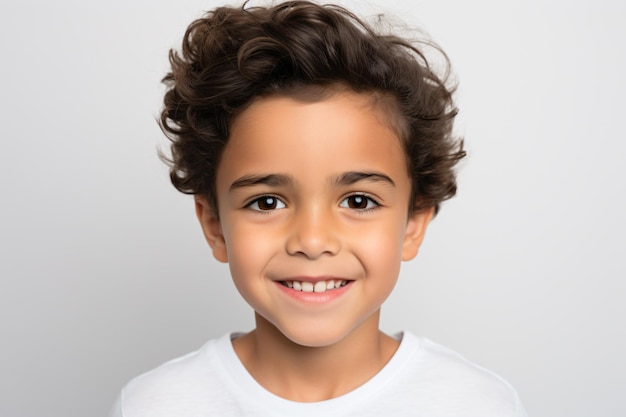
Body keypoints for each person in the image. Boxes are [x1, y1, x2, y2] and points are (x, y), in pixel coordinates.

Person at [110, 1, 528, 415]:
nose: (312, 241)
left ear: (414, 222)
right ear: (215, 225)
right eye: (267, 202)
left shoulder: (478, 405)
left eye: (358, 201)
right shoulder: (153, 405)